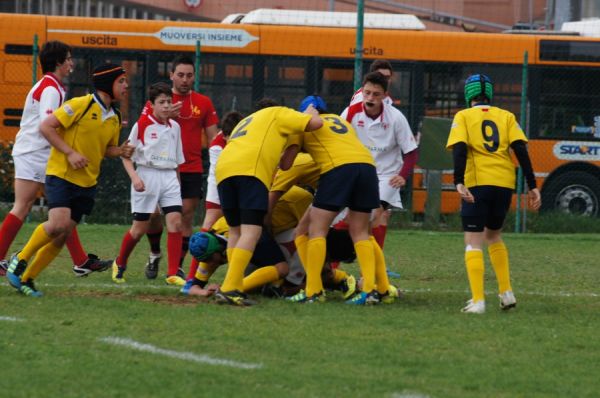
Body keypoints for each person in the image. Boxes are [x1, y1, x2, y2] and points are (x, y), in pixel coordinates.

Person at [6, 63, 134, 296]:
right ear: (107, 84)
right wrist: (70, 152)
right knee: (57, 224)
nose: (127, 86)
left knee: (63, 233)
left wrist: (121, 151)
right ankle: (20, 258)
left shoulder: (115, 116)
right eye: (121, 81)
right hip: (61, 174)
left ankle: (27, 279)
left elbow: (107, 149)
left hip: (87, 182)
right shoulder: (80, 104)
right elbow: (46, 127)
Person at [0, 40, 111, 278]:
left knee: (62, 211)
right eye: (69, 59)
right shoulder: (50, 89)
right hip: (34, 153)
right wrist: (72, 148)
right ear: (59, 62)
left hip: (37, 152)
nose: (72, 63)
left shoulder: (52, 86)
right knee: (25, 206)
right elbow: (47, 126)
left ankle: (81, 261)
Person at [446, 73, 541, 314]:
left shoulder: (463, 116)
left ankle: (478, 301)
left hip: (478, 183)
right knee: (494, 235)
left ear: (468, 95)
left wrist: (458, 181)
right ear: (490, 94)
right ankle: (506, 292)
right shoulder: (506, 116)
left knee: (473, 239)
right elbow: (521, 150)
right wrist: (532, 185)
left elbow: (459, 149)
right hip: (504, 184)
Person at [213, 98, 322, 305]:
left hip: (224, 169)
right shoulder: (280, 112)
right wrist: (310, 113)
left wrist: (292, 141)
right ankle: (230, 288)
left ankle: (230, 285)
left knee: (236, 231)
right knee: (251, 232)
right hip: (250, 170)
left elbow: (286, 163)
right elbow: (315, 124)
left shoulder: (254, 120)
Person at [289, 95, 391, 304]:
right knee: (361, 232)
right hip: (367, 167)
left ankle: (314, 291)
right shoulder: (340, 121)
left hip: (338, 169)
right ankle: (372, 291)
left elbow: (287, 161)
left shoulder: (304, 125)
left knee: (315, 230)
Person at [143, 55, 219, 280]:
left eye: (189, 75)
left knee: (185, 217)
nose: (185, 80)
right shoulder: (158, 100)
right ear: (171, 75)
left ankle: (176, 267)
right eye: (180, 75)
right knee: (153, 215)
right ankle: (155, 253)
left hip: (191, 168)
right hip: (160, 167)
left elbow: (214, 137)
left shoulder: (203, 102)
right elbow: (144, 128)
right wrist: (165, 115)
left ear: (194, 76)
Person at [111, 82, 185, 285]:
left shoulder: (175, 127)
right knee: (139, 229)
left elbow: (177, 161)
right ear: (151, 105)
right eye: (162, 102)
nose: (167, 106)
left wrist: (177, 184)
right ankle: (120, 262)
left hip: (169, 177)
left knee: (176, 222)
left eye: (169, 102)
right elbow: (125, 156)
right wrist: (135, 178)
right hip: (147, 175)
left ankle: (172, 273)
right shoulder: (142, 125)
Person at [342, 71, 418, 249]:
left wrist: (402, 175)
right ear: (362, 92)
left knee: (375, 215)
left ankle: (368, 273)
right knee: (346, 218)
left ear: (385, 95)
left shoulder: (396, 117)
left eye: (376, 94)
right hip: (358, 172)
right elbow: (338, 141)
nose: (370, 98)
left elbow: (411, 152)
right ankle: (333, 269)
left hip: (387, 175)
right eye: (367, 93)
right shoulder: (350, 113)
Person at [183, 111, 245, 283]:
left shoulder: (247, 137)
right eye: (230, 138)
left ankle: (237, 277)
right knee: (209, 226)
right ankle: (192, 279)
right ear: (224, 135)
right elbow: (223, 175)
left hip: (241, 179)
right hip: (220, 182)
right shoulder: (217, 147)